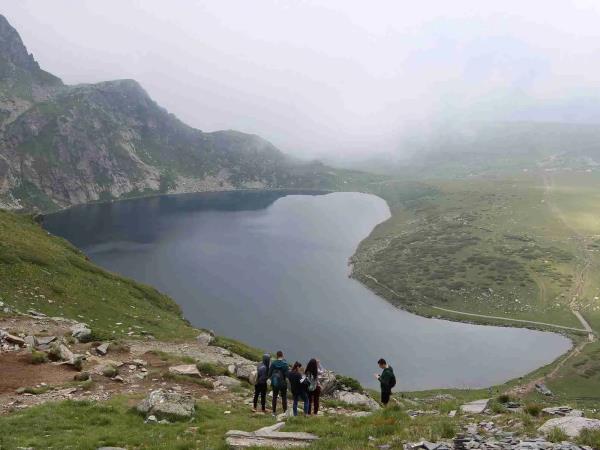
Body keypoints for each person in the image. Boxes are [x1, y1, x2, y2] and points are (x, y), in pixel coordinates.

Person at [268, 350, 289, 415]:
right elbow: (287, 374)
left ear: (277, 356)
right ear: (282, 355)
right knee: (284, 397)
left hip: (275, 382)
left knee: (274, 396)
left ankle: (274, 412)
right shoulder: (285, 364)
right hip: (283, 383)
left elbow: (269, 373)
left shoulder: (274, 363)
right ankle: (285, 412)